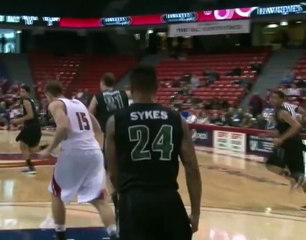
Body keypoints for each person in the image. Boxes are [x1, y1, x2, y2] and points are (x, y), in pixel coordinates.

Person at [106, 65, 202, 239]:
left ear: (132, 89)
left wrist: (122, 198)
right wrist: (195, 213)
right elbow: (192, 167)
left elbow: (112, 174)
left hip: (133, 201)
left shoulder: (115, 121)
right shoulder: (176, 119)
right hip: (168, 200)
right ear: (156, 88)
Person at [39, 80, 118, 240]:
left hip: (75, 152)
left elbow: (63, 126)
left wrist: (50, 148)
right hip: (94, 152)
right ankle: (114, 235)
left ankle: (61, 235)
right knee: (99, 199)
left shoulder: (55, 104)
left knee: (56, 194)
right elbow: (97, 127)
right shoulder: (79, 103)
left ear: (48, 94)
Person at [88, 73, 129, 218]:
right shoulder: (124, 94)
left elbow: (89, 114)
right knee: (126, 168)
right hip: (126, 134)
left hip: (110, 136)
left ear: (102, 82)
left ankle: (117, 202)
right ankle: (127, 198)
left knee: (109, 171)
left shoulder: (98, 96)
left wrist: (96, 130)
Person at [267, 90, 306, 211]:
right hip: (291, 144)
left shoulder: (283, 112)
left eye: (275, 98)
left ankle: (294, 178)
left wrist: (281, 139)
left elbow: (296, 126)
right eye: (271, 97)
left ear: (282, 99)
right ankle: (295, 177)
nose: (272, 100)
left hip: (291, 145)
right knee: (298, 173)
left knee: (272, 164)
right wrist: (269, 135)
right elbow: (285, 128)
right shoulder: (280, 111)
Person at [13, 85, 44, 175]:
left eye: (23, 91)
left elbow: (30, 115)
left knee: (23, 146)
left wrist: (18, 121)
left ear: (28, 93)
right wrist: (23, 124)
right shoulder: (29, 101)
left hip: (32, 126)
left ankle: (31, 168)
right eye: (20, 91)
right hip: (34, 126)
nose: (21, 93)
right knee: (31, 149)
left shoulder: (26, 101)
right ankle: (48, 147)